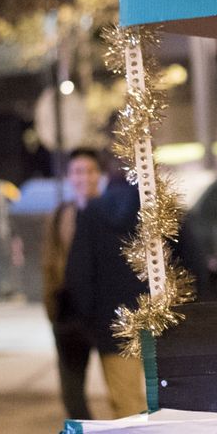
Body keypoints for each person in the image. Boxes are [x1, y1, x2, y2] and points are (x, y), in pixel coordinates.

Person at [64, 167, 150, 417]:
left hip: (113, 324)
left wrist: (93, 321)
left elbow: (78, 273)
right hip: (164, 321)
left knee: (127, 404)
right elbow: (193, 262)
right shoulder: (160, 210)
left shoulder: (92, 213)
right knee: (169, 398)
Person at [43, 146, 105, 421]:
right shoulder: (60, 215)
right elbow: (48, 261)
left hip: (106, 312)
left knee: (121, 390)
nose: (84, 177)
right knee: (71, 394)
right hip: (69, 315)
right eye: (78, 171)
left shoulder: (109, 212)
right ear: (70, 176)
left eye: (90, 171)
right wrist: (52, 308)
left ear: (98, 175)